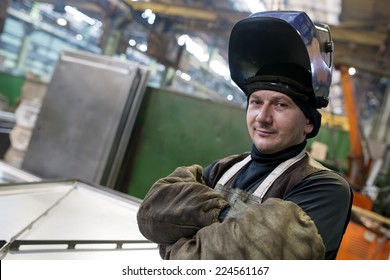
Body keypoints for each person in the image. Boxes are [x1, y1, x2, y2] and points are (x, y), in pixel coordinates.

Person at [137, 11, 353, 260]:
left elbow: (240, 262)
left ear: (308, 122)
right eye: (256, 102)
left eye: (280, 104)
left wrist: (175, 247)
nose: (263, 116)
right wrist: (226, 217)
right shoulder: (223, 169)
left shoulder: (324, 188)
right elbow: (150, 212)